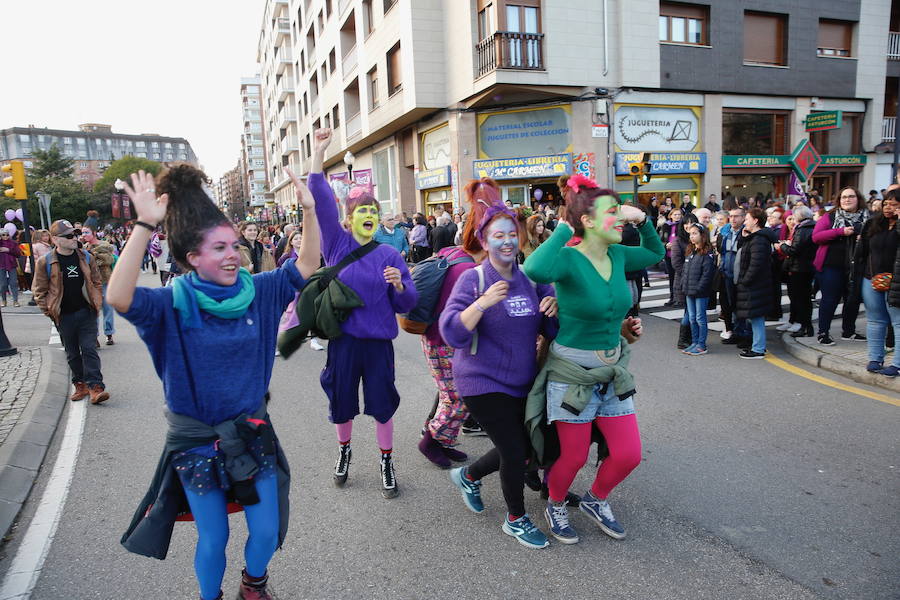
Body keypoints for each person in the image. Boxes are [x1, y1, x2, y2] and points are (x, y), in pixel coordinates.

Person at [110, 166, 319, 600]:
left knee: (265, 530)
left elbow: (306, 265)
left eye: (233, 245)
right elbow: (118, 297)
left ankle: (253, 583)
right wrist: (145, 224)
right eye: (218, 247)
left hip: (251, 436)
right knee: (214, 536)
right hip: (197, 444)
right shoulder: (169, 305)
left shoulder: (260, 291)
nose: (231, 254)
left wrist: (311, 210)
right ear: (192, 258)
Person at [523, 174, 664, 545]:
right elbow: (534, 270)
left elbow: (655, 253)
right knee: (572, 458)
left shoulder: (618, 254)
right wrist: (563, 227)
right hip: (572, 373)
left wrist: (642, 219)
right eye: (612, 213)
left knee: (629, 454)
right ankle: (555, 504)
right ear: (586, 221)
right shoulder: (568, 258)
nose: (620, 219)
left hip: (613, 371)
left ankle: (595, 500)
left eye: (620, 213)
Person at [442, 197, 558, 549]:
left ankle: (469, 475)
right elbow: (452, 333)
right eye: (497, 235)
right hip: (480, 380)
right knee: (514, 451)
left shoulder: (532, 279)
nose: (506, 241)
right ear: (484, 240)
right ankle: (516, 519)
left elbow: (551, 332)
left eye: (511, 234)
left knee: (523, 448)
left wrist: (554, 311)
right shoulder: (473, 279)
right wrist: (482, 303)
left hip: (522, 379)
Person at [307, 128, 417, 499]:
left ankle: (386, 459)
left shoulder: (390, 255)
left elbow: (407, 304)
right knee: (341, 401)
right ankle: (344, 451)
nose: (368, 216)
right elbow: (321, 200)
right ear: (350, 219)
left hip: (378, 345)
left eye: (373, 211)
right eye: (361, 212)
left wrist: (400, 286)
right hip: (343, 342)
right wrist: (319, 152)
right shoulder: (336, 245)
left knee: (383, 403)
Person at [417, 179, 491, 468]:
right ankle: (431, 442)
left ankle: (444, 442)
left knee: (454, 396)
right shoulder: (468, 270)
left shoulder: (452, 253)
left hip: (434, 338)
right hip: (443, 342)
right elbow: (465, 315)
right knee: (456, 398)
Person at [32, 220, 109, 404]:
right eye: (69, 236)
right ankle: (80, 384)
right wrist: (49, 311)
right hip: (63, 315)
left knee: (89, 348)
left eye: (75, 234)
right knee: (72, 352)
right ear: (55, 239)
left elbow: (97, 282)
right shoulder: (46, 262)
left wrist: (96, 302)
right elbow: (39, 290)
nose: (74, 238)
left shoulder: (86, 257)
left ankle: (95, 387)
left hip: (86, 312)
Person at [811, 186, 868, 345]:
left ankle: (848, 331)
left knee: (853, 300)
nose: (847, 200)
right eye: (844, 197)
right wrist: (840, 232)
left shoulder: (868, 218)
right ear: (839, 200)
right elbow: (816, 237)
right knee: (830, 300)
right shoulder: (830, 217)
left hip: (857, 266)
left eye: (851, 196)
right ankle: (823, 333)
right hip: (831, 266)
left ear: (858, 199)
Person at [855, 191, 899, 376]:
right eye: (887, 203)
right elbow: (863, 251)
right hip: (871, 277)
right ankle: (875, 358)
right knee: (875, 320)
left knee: (897, 322)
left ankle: (897, 364)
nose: (889, 207)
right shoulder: (873, 223)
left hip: (896, 281)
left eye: (895, 204)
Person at [735, 208, 774, 359]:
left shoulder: (759, 240)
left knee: (757, 316)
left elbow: (755, 264)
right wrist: (745, 237)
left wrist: (745, 280)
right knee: (755, 316)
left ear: (756, 220)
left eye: (747, 219)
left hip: (755, 285)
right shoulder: (755, 238)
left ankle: (758, 348)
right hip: (755, 284)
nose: (745, 222)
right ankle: (757, 346)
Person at [778, 205, 816, 338]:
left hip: (799, 269)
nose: (792, 220)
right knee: (803, 299)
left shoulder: (802, 229)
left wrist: (782, 246)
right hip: (806, 267)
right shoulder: (811, 227)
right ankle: (805, 326)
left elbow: (794, 250)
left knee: (800, 299)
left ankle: (804, 327)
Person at [681, 223, 716, 355]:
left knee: (700, 318)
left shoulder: (707, 253)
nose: (692, 236)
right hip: (689, 291)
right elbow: (685, 272)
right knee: (692, 318)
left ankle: (701, 345)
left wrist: (698, 289)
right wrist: (684, 286)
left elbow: (707, 275)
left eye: (695, 233)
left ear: (703, 235)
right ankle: (694, 342)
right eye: (691, 234)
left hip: (700, 293)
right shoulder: (691, 251)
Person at [82, 226, 118, 345]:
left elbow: (109, 260)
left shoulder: (105, 245)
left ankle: (109, 333)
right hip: (91, 282)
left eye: (86, 232)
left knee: (108, 308)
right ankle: (94, 336)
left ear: (93, 233)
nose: (84, 235)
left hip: (105, 280)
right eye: (82, 233)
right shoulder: (83, 248)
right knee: (93, 310)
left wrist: (94, 255)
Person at [657, 208, 683, 307]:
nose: (677, 216)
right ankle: (672, 298)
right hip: (668, 255)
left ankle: (679, 299)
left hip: (679, 255)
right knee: (671, 277)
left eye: (679, 214)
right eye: (675, 214)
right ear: (671, 215)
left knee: (679, 277)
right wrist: (665, 245)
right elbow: (661, 239)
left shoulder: (682, 225)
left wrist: (675, 245)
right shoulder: (666, 225)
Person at [0, 228, 22, 307]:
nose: (5, 236)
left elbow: (18, 254)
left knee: (14, 283)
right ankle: (3, 300)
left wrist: (8, 250)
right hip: (1, 265)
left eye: (7, 234)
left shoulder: (13, 243)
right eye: (3, 235)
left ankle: (15, 301)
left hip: (11, 265)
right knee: (3, 284)